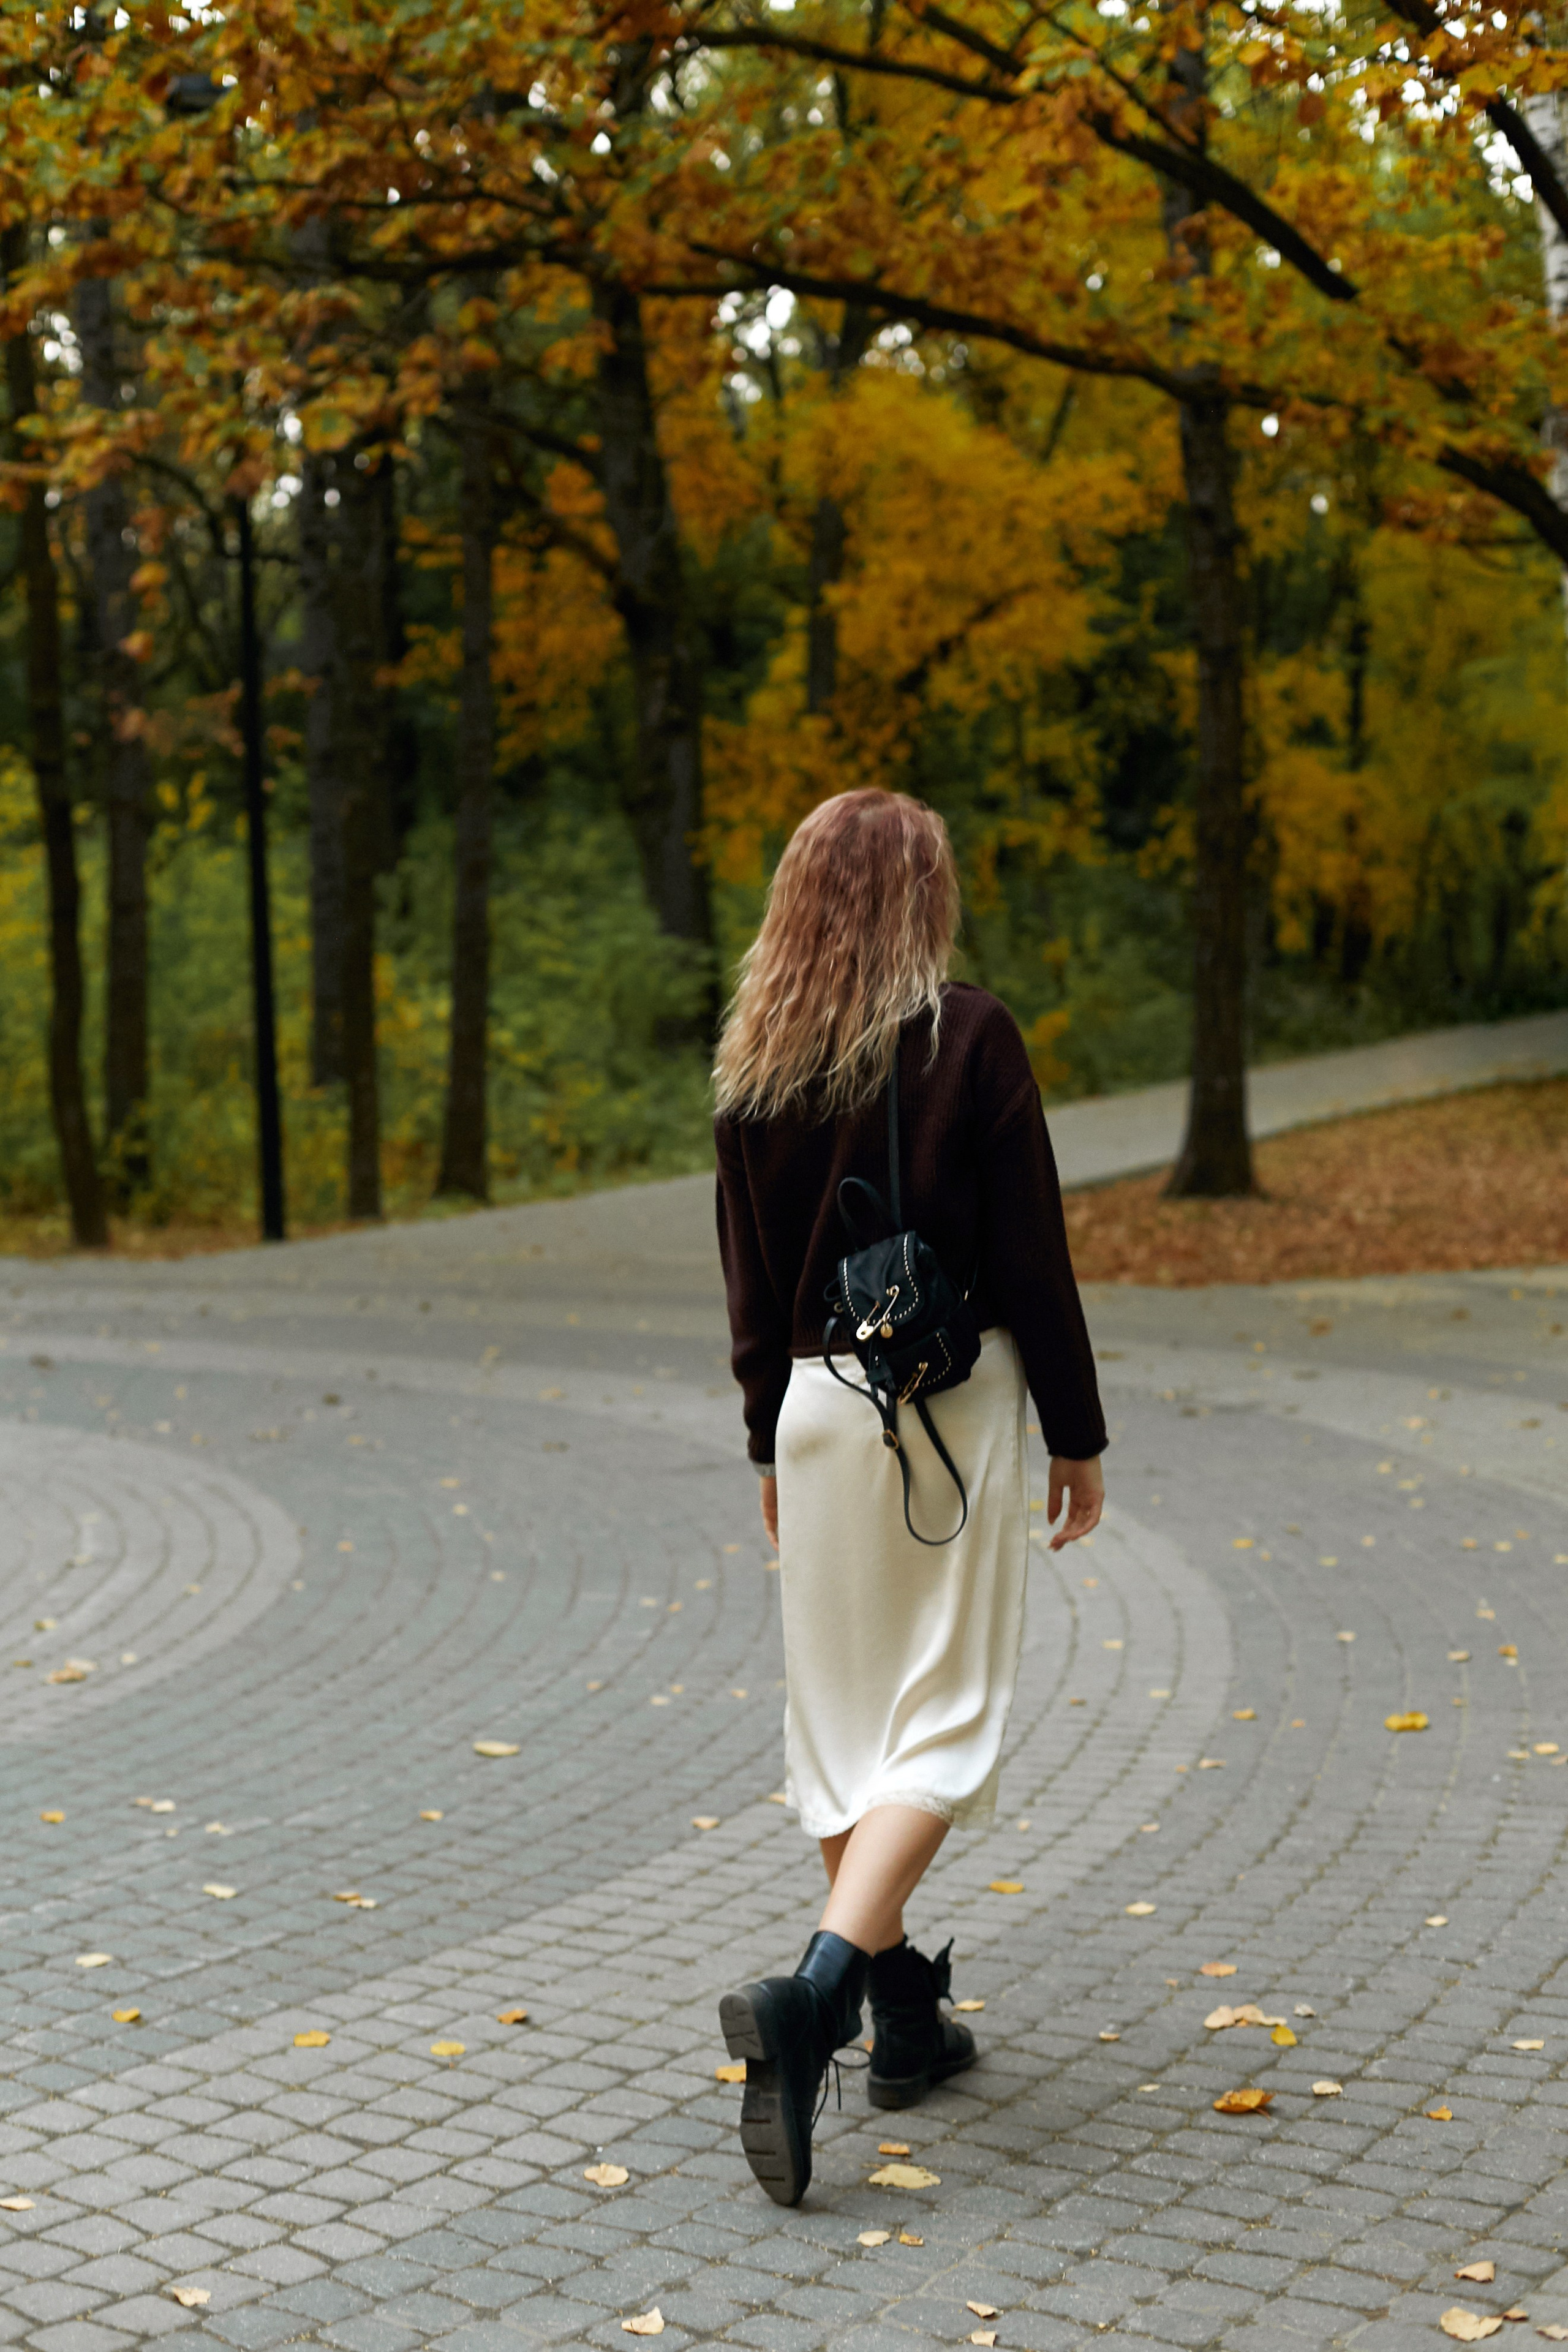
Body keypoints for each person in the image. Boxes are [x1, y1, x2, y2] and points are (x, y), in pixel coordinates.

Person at [710, 788, 1107, 2207]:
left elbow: (749, 1289)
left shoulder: (754, 1061)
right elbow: (1031, 1252)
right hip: (947, 1403)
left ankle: (904, 2020)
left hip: (818, 1411)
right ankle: (818, 1997)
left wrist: (767, 1445)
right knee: (941, 1719)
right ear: (921, 898)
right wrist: (1076, 1433)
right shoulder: (969, 1037)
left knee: (840, 1733)